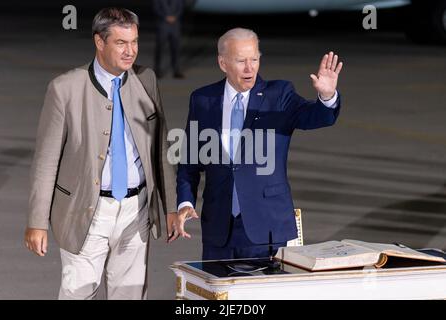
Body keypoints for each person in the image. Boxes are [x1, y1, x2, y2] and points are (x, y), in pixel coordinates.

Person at [24, 7, 178, 300]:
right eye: (121, 43)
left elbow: (161, 149)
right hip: (86, 210)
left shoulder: (146, 80)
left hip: (137, 208)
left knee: (131, 294)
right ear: (99, 42)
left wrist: (169, 206)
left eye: (134, 42)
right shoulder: (65, 89)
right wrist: (36, 222)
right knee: (78, 293)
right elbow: (45, 162)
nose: (130, 51)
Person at [173, 28, 343, 260]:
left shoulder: (279, 94)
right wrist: (185, 202)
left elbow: (315, 117)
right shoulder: (203, 99)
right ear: (223, 63)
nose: (249, 68)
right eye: (241, 60)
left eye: (254, 59)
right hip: (218, 230)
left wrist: (326, 97)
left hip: (267, 229)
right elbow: (189, 161)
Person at [152, 0, 185, 78]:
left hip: (175, 26)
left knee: (175, 49)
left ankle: (176, 71)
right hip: (163, 25)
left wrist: (175, 17)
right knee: (159, 49)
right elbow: (156, 9)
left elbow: (180, 8)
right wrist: (165, 17)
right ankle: (157, 70)